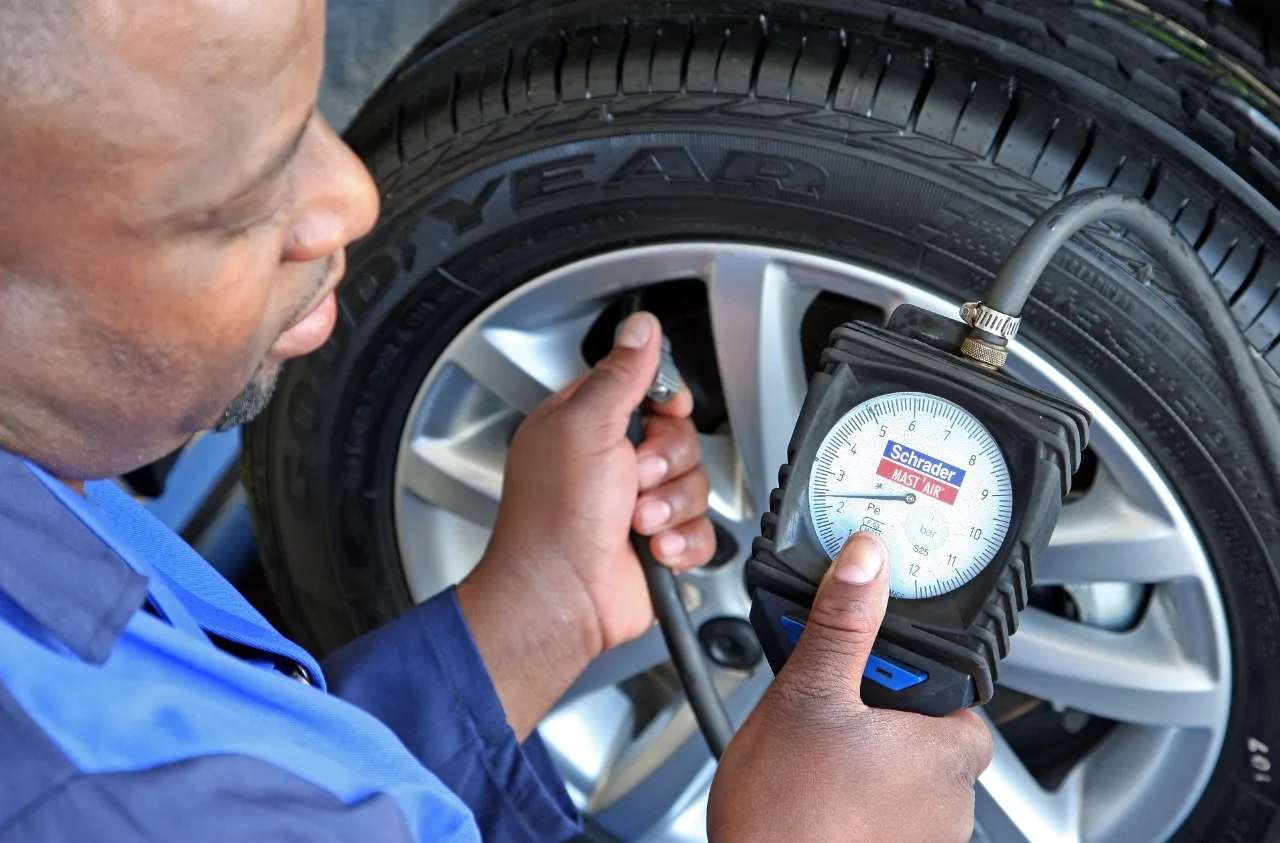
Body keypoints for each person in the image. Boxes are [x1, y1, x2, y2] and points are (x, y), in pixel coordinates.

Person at [0, 0, 994, 841]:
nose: (349, 197)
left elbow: (284, 778)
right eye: (239, 202)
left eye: (308, 114)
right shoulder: (82, 797)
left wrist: (539, 610)